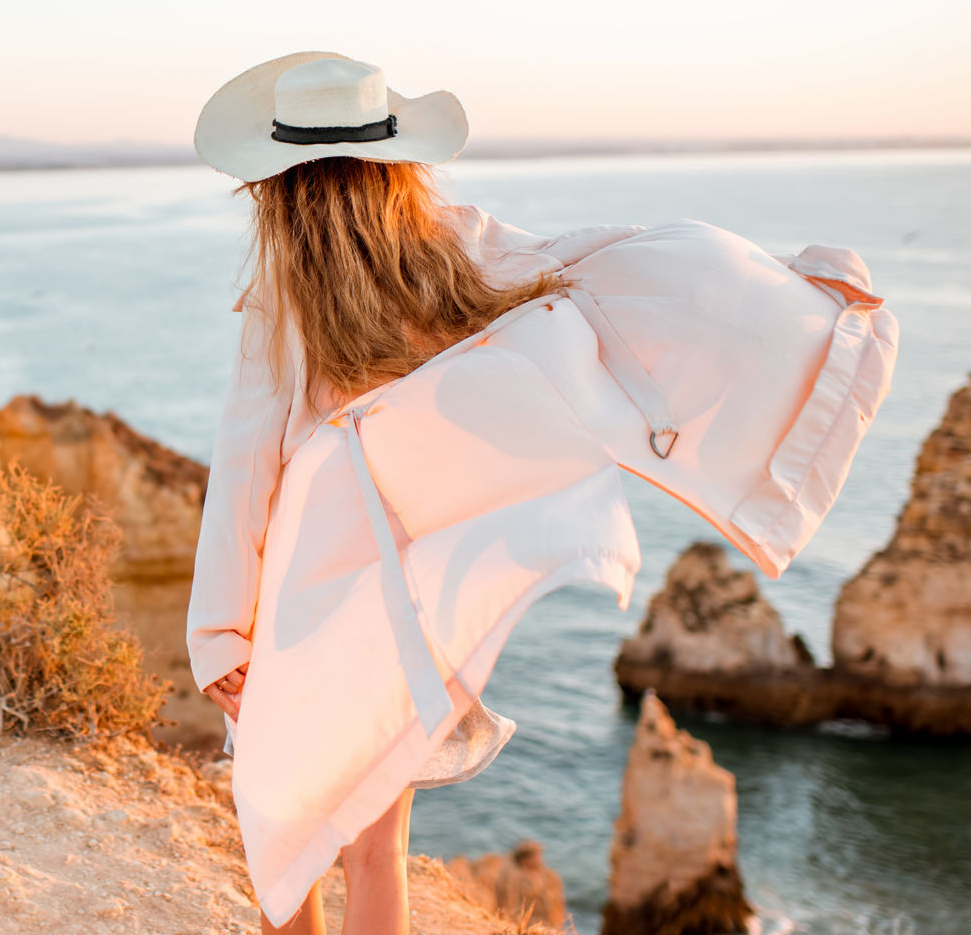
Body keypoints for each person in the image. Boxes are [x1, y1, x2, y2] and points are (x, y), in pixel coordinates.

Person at [185, 52, 897, 933]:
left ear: (277, 179)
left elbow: (247, 462)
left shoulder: (281, 299)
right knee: (377, 851)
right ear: (397, 157)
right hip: (410, 586)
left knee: (285, 837)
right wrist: (798, 280)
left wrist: (219, 632)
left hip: (307, 584)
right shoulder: (457, 246)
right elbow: (600, 263)